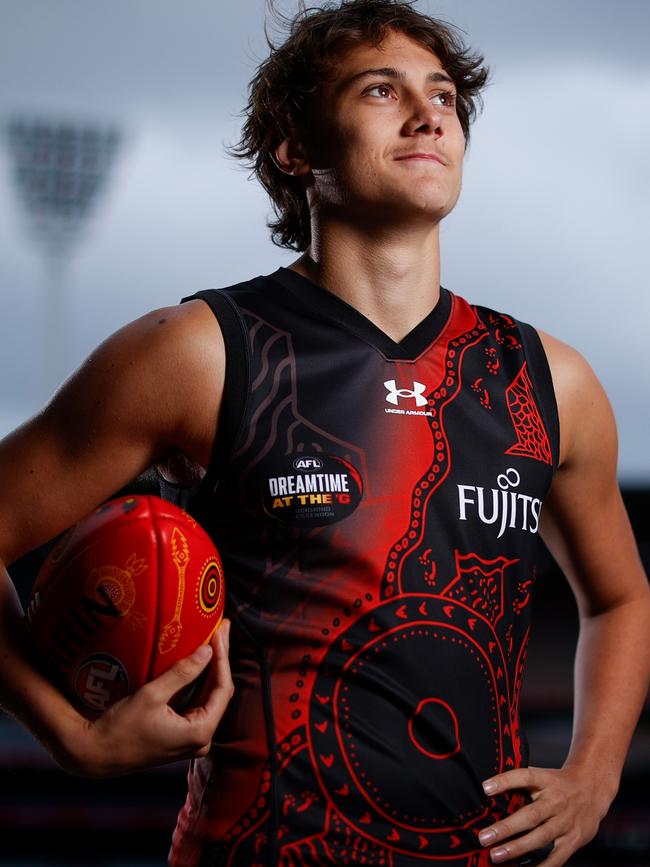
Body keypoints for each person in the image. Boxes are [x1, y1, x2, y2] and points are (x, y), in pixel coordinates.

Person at [1, 1, 649, 865]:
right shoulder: (200, 354)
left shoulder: (549, 382)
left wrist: (596, 774)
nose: (429, 115)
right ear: (294, 146)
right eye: (382, 90)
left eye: (446, 97)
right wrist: (67, 737)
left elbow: (621, 597)